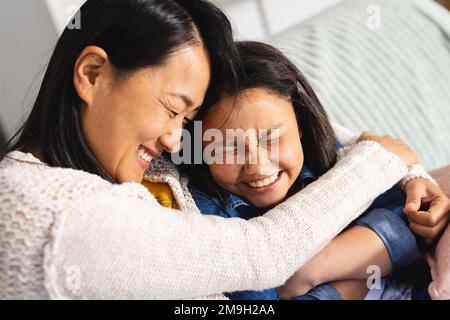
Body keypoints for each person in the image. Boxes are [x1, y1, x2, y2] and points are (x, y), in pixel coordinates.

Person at [0, 0, 448, 299]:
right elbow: (263, 255)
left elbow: (279, 120)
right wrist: (382, 158)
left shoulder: (119, 164)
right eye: (173, 109)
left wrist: (401, 166)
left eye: (186, 120)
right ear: (94, 73)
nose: (176, 138)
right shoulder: (45, 210)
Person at [184, 41, 443, 300]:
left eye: (271, 137)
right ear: (199, 149)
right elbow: (258, 300)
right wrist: (351, 284)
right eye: (229, 147)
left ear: (299, 124)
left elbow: (413, 227)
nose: (258, 165)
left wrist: (308, 272)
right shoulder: (207, 214)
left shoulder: (329, 157)